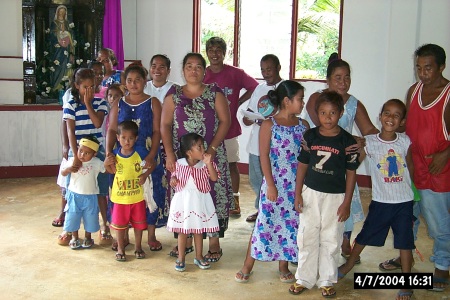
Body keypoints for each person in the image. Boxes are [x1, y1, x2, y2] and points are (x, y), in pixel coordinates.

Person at [381, 44, 450, 293]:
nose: (422, 73)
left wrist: (445, 153)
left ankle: (443, 265)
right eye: (418, 67)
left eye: (428, 68)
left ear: (441, 66)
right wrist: (384, 133)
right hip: (410, 167)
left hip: (438, 171)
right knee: (406, 219)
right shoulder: (414, 91)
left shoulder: (448, 94)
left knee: (438, 223)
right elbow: (406, 124)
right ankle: (405, 257)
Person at [338, 99, 415, 300]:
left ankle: (407, 283)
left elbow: (411, 168)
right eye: (387, 113)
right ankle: (348, 264)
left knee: (405, 242)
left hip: (404, 202)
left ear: (402, 121)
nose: (390, 118)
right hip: (381, 202)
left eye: (396, 115)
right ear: (380, 117)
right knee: (365, 235)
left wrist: (414, 194)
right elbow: (355, 164)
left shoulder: (405, 141)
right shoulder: (370, 142)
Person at [304, 57, 378, 261]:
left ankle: (345, 240)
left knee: (345, 199)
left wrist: (387, 135)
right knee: (316, 204)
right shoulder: (317, 99)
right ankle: (316, 242)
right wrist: (346, 138)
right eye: (337, 78)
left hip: (342, 164)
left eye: (347, 78)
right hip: (319, 161)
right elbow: (319, 129)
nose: (343, 82)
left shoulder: (353, 103)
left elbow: (370, 130)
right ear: (327, 80)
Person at [235, 80, 309, 283]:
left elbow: (305, 156)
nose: (303, 103)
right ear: (287, 101)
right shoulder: (270, 124)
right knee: (264, 223)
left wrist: (301, 187)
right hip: (274, 184)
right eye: (300, 99)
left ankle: (283, 266)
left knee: (290, 225)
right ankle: (247, 265)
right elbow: (264, 155)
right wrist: (270, 184)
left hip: (295, 185)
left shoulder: (303, 126)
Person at [161, 52, 232, 263]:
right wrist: (170, 154)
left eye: (199, 66)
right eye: (189, 66)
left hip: (211, 155)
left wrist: (210, 150)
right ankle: (186, 240)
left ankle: (214, 242)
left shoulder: (214, 93)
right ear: (183, 71)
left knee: (212, 195)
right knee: (185, 195)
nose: (194, 70)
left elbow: (225, 121)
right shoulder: (173, 95)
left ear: (204, 71)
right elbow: (165, 125)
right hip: (182, 160)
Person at [289, 91, 360, 297]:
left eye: (332, 113)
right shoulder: (309, 136)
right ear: (316, 114)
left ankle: (327, 279)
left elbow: (351, 173)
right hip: (310, 192)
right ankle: (304, 278)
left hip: (335, 197)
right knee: (307, 235)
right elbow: (302, 165)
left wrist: (347, 202)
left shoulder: (347, 141)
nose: (327, 117)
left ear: (340, 113)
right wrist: (298, 193)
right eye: (323, 113)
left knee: (331, 237)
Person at [106, 64, 166, 253]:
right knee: (121, 196)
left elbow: (158, 131)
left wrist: (151, 154)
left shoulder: (153, 102)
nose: (133, 84)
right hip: (122, 157)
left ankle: (151, 236)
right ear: (125, 82)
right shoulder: (119, 103)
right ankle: (121, 237)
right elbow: (112, 129)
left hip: (146, 156)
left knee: (149, 194)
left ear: (144, 81)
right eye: (129, 80)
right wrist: (109, 153)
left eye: (137, 80)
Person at [204, 37, 259, 217]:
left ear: (225, 53)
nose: (214, 53)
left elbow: (255, 87)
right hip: (206, 130)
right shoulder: (203, 74)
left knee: (231, 164)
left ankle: (235, 200)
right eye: (211, 50)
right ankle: (208, 199)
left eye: (218, 49)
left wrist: (239, 101)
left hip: (229, 129)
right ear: (207, 52)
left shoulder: (235, 73)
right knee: (205, 165)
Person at [57, 68, 109, 245]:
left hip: (97, 150)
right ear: (77, 86)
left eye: (92, 86)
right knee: (70, 188)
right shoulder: (71, 103)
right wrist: (75, 155)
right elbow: (70, 130)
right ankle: (69, 228)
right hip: (77, 149)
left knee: (100, 190)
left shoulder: (100, 102)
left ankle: (105, 226)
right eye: (85, 87)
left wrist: (88, 104)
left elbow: (97, 123)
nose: (89, 90)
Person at [167, 133, 220, 272]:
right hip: (184, 202)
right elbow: (174, 177)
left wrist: (208, 164)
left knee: (199, 230)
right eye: (199, 147)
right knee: (182, 231)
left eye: (203, 146)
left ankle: (199, 256)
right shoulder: (179, 164)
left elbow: (214, 178)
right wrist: (173, 180)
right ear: (189, 152)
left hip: (200, 201)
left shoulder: (205, 164)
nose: (203, 150)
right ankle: (181, 258)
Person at [241, 54, 283, 222]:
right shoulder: (259, 88)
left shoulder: (285, 88)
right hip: (255, 144)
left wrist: (267, 121)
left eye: (269, 69)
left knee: (273, 179)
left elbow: (291, 116)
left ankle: (273, 212)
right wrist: (248, 117)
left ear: (279, 68)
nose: (266, 73)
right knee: (255, 178)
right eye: (263, 70)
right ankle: (262, 210)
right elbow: (249, 113)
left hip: (276, 144)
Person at [104, 121, 150, 261]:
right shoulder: (114, 156)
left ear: (136, 138)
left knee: (138, 224)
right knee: (120, 226)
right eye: (123, 138)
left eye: (130, 138)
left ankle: (138, 247)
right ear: (117, 138)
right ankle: (120, 249)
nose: (127, 141)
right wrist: (106, 164)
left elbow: (152, 164)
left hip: (137, 197)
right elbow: (111, 171)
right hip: (120, 199)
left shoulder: (140, 153)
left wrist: (145, 175)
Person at [60, 136, 104, 249]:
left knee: (90, 218)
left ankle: (88, 237)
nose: (82, 155)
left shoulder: (97, 162)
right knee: (73, 216)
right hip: (74, 196)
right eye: (80, 151)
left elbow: (106, 169)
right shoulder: (73, 160)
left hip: (91, 196)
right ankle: (74, 237)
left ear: (94, 154)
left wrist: (108, 161)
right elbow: (63, 172)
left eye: (87, 153)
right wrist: (69, 169)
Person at [49, 5, 74, 93]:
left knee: (66, 65)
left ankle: (66, 86)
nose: (62, 14)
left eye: (63, 12)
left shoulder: (67, 24)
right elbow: (51, 35)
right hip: (58, 49)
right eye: (60, 12)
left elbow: (72, 35)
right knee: (58, 66)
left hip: (66, 48)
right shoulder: (54, 23)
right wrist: (59, 34)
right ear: (57, 12)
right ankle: (56, 85)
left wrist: (67, 33)